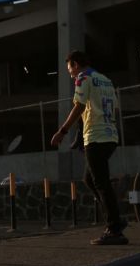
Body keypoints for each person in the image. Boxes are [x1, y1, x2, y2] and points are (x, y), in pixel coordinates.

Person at [50, 50, 128, 245]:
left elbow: (79, 106)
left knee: (100, 182)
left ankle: (114, 229)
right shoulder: (105, 79)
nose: (70, 73)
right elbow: (115, 108)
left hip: (96, 137)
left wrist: (62, 131)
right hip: (111, 136)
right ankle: (115, 219)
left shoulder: (83, 78)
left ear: (76, 64)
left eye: (70, 69)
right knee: (90, 179)